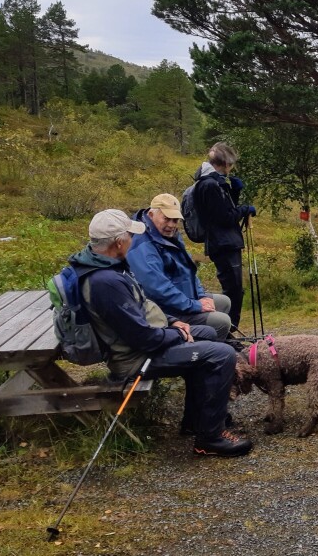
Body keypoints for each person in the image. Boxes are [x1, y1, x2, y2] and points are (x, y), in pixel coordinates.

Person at [69, 209, 251, 457]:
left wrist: (174, 322)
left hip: (145, 342)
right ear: (119, 242)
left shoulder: (108, 267)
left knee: (208, 334)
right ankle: (210, 438)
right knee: (222, 354)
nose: (133, 241)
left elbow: (143, 310)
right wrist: (177, 334)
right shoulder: (105, 282)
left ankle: (196, 420)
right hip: (134, 358)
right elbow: (143, 339)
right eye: (130, 236)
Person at [127, 193, 232, 340]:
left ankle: (218, 343)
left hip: (181, 299)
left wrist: (201, 296)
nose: (171, 225)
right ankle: (205, 350)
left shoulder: (169, 235)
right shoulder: (142, 244)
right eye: (166, 218)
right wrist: (195, 305)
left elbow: (188, 270)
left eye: (175, 220)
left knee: (224, 302)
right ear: (151, 215)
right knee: (221, 322)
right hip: (163, 310)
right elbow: (157, 289)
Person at [192, 142, 256, 332]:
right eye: (231, 164)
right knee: (233, 291)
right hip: (223, 243)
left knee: (234, 289)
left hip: (224, 242)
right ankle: (227, 332)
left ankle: (229, 331)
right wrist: (244, 210)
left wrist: (233, 192)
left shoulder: (212, 182)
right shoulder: (209, 185)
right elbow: (225, 218)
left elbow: (224, 210)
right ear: (226, 164)